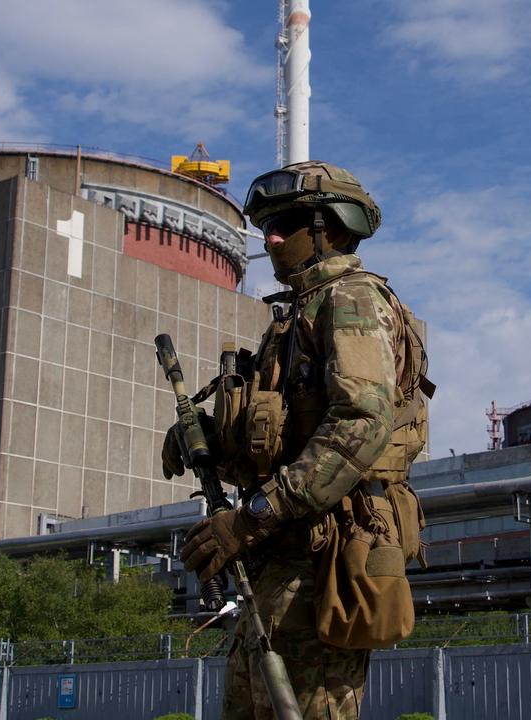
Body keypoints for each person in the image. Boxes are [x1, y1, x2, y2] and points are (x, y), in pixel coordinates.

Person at [162, 161, 432, 719]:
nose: (272, 238)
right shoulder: (296, 317)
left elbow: (361, 421)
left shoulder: (350, 301)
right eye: (267, 226)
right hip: (281, 561)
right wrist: (208, 439)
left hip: (326, 562)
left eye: (286, 223)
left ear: (330, 227)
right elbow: (284, 438)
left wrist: (251, 516)